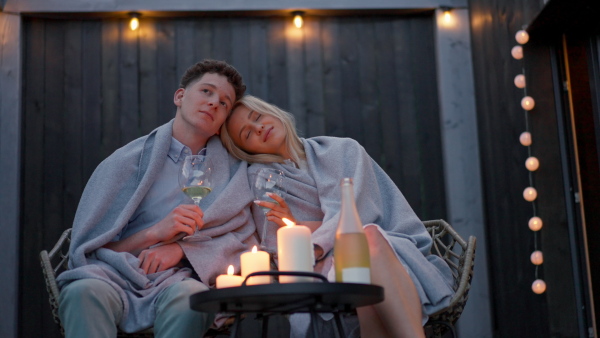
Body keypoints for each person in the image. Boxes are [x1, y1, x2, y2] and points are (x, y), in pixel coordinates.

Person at [220, 95, 455, 338]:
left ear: (273, 112)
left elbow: (362, 215)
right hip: (322, 270)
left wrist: (303, 228)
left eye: (257, 117)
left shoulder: (343, 150)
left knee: (368, 240)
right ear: (246, 150)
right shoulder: (262, 181)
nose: (258, 128)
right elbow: (283, 250)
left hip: (387, 248)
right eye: (247, 134)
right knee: (361, 259)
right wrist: (306, 233)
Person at [56, 59, 257, 337]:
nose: (214, 103)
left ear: (225, 119)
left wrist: (183, 251)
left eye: (224, 103)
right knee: (82, 292)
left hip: (179, 279)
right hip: (115, 275)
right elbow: (89, 251)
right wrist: (154, 233)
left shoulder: (234, 176)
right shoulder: (124, 163)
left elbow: (243, 240)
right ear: (180, 96)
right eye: (207, 92)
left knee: (192, 298)